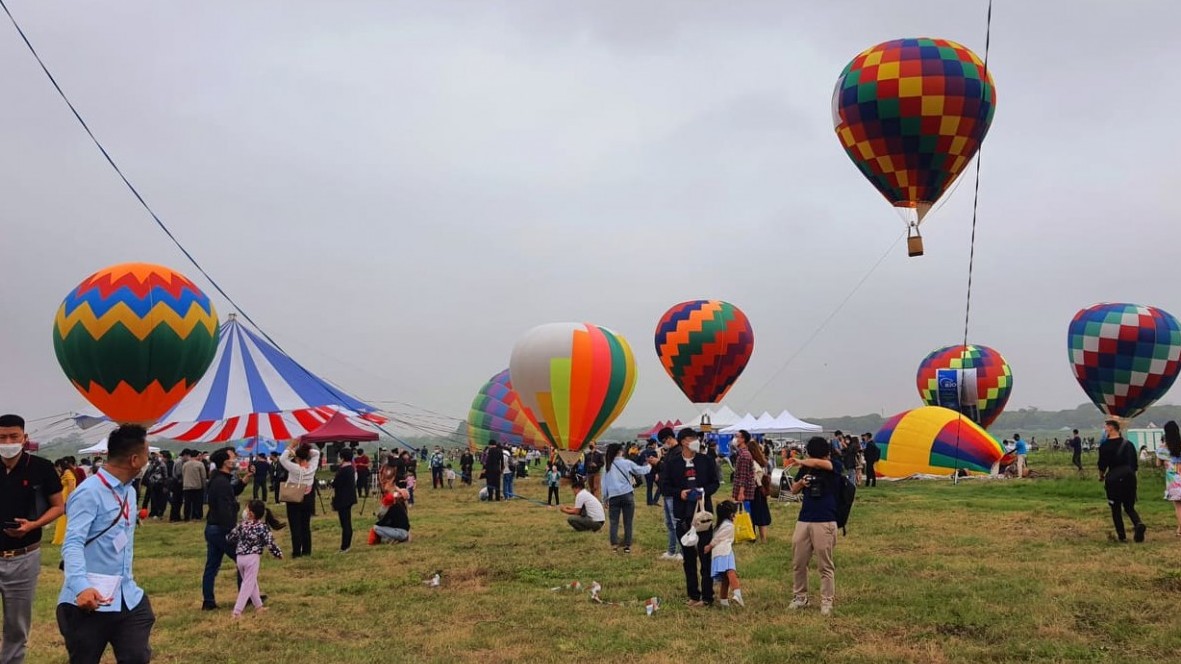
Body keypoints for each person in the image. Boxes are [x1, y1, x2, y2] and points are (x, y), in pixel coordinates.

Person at [57, 424, 153, 663]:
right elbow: (72, 544)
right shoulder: (89, 492)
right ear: (134, 459)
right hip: (88, 602)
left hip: (126, 596)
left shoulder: (129, 492)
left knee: (137, 656)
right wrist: (81, 587)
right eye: (147, 454)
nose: (148, 459)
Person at [0, 415, 65, 663]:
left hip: (23, 557)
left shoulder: (41, 467)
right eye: (2, 437)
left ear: (24, 438)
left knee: (16, 625)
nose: (7, 442)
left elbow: (58, 506)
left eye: (13, 436)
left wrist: (34, 525)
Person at [660, 427, 720, 608]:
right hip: (683, 516)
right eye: (693, 438)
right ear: (684, 441)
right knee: (689, 559)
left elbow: (715, 483)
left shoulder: (705, 461)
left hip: (703, 517)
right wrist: (681, 493)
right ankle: (694, 595)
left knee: (706, 556)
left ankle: (708, 596)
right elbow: (664, 486)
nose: (696, 441)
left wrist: (702, 491)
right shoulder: (672, 463)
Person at [786, 436, 844, 616]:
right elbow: (793, 490)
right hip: (805, 518)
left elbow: (825, 465)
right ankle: (800, 596)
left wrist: (802, 460)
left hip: (825, 519)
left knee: (825, 564)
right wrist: (802, 482)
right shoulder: (806, 468)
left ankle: (827, 601)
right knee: (798, 561)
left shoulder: (834, 465)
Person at [202, 447, 251, 611]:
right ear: (225, 462)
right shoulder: (221, 482)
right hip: (222, 529)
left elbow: (231, 492)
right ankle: (247, 595)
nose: (235, 459)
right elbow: (225, 508)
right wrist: (234, 530)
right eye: (232, 457)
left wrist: (243, 482)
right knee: (243, 560)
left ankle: (208, 600)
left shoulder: (219, 479)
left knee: (212, 566)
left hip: (213, 528)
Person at [226, 500, 284, 618]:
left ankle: (258, 606)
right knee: (248, 584)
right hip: (252, 558)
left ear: (251, 513)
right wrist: (278, 553)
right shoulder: (262, 527)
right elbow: (270, 543)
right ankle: (237, 611)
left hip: (240, 558)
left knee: (251, 582)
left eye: (247, 508)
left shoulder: (242, 525)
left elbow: (230, 538)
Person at [602, 442, 658, 554]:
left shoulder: (607, 466)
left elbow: (604, 484)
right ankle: (627, 546)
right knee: (628, 522)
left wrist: (605, 499)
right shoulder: (626, 462)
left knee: (614, 522)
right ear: (620, 452)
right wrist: (650, 465)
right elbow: (640, 470)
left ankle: (614, 546)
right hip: (627, 494)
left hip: (613, 496)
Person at [1098, 420, 1145, 543]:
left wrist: (1101, 476)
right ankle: (1138, 523)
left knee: (1116, 509)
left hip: (1113, 480)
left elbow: (1102, 465)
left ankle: (1122, 536)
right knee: (1129, 507)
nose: (1105, 430)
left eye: (1106, 427)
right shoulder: (1129, 444)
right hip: (1129, 478)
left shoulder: (1105, 446)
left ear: (1112, 428)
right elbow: (1134, 465)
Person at [279, 441, 320, 558]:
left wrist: (292, 446)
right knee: (305, 526)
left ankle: (297, 551)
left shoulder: (295, 468)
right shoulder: (312, 467)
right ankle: (307, 550)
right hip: (307, 498)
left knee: (295, 526)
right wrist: (304, 451)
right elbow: (316, 453)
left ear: (297, 458)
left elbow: (282, 459)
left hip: (294, 498)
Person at [732, 430, 772, 544]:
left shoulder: (745, 456)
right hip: (758, 489)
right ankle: (758, 537)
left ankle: (749, 535)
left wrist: (741, 491)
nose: (735, 439)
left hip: (754, 490)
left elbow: (743, 476)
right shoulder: (758, 459)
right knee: (759, 515)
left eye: (737, 436)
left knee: (750, 514)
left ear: (743, 439)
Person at [705, 500, 743, 608]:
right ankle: (737, 593)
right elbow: (718, 538)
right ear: (730, 514)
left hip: (716, 554)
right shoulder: (728, 525)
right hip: (725, 552)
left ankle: (724, 601)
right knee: (731, 572)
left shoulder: (718, 526)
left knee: (725, 579)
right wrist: (710, 545)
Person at [654, 428, 682, 562]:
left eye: (665, 441)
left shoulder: (679, 451)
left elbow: (673, 470)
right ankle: (671, 550)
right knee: (669, 524)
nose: (665, 444)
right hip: (666, 492)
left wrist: (659, 463)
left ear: (670, 438)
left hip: (673, 492)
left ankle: (681, 551)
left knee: (676, 523)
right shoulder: (670, 452)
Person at [1157, 421, 1181, 536]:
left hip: (1173, 482)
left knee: (1178, 506)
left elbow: (1158, 464)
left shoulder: (1163, 449)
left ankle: (1180, 529)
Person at [331, 448, 357, 553]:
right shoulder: (350, 468)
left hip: (343, 499)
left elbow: (335, 483)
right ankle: (346, 545)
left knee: (345, 523)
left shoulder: (343, 470)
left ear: (342, 458)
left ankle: (345, 546)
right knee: (347, 522)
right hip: (348, 498)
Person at [52, 458, 78, 545]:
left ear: (60, 466)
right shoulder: (68, 472)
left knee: (63, 518)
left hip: (66, 496)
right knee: (63, 518)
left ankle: (61, 538)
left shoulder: (67, 472)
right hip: (64, 495)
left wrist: (69, 498)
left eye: (58, 467)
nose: (58, 470)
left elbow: (71, 485)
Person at [181, 450, 208, 521]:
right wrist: (203, 485)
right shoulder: (200, 464)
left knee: (187, 503)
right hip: (197, 486)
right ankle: (196, 516)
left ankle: (186, 517)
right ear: (197, 456)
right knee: (197, 503)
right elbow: (203, 476)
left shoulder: (185, 464)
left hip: (186, 486)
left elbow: (183, 474)